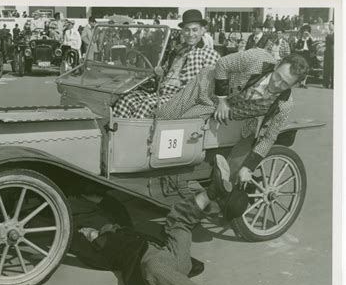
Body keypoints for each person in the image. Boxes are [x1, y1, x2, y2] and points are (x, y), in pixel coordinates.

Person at [76, 155, 234, 285]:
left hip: (174, 257)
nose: (89, 229)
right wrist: (84, 234)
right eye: (87, 231)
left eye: (88, 229)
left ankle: (213, 192)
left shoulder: (122, 228)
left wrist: (97, 199)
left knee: (178, 220)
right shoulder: (104, 253)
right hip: (152, 269)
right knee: (154, 266)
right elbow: (77, 246)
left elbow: (117, 209)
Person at [155, 50, 309, 181]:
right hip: (205, 85)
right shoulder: (257, 58)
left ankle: (166, 170)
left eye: (285, 84)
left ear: (294, 85)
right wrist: (222, 101)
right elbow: (222, 63)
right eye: (278, 77)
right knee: (164, 116)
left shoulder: (284, 104)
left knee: (183, 128)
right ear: (277, 65)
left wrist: (248, 167)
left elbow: (269, 138)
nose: (277, 84)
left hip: (213, 108)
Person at [112, 9, 219, 119]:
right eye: (187, 30)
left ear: (202, 31)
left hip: (182, 97)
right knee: (126, 100)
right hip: (162, 90)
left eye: (194, 30)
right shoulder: (177, 51)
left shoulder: (209, 54)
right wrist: (159, 71)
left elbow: (209, 86)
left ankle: (137, 135)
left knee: (148, 104)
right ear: (182, 31)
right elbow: (165, 71)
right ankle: (117, 133)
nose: (190, 34)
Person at [323, 21, 334, 89]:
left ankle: (333, 84)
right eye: (329, 25)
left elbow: (333, 41)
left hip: (333, 53)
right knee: (326, 68)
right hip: (327, 52)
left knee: (332, 69)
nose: (329, 26)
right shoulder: (328, 33)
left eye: (330, 25)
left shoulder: (336, 33)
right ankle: (326, 84)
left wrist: (328, 34)